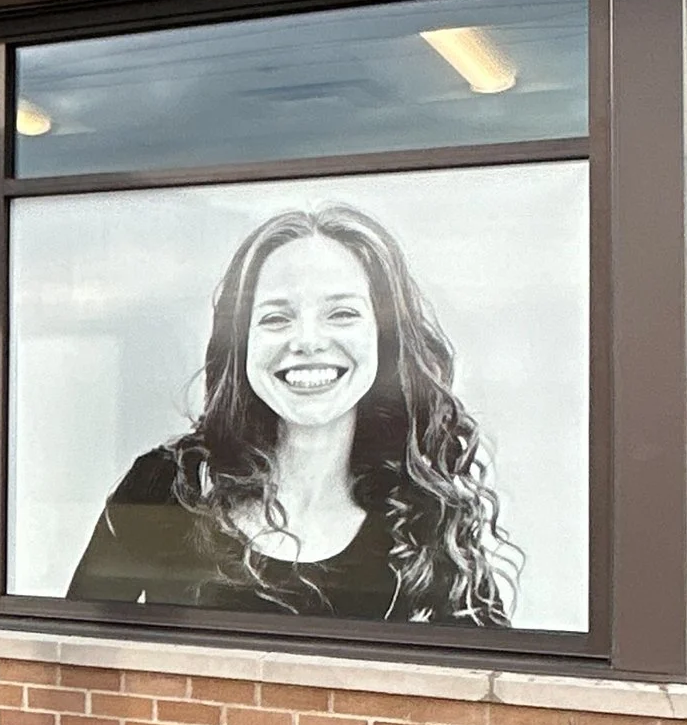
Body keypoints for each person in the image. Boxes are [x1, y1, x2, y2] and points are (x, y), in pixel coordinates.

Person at [68, 203, 516, 622]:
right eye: (276, 318)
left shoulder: (426, 518)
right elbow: (75, 659)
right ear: (241, 344)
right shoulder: (165, 488)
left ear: (385, 338)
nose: (306, 340)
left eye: (341, 313)